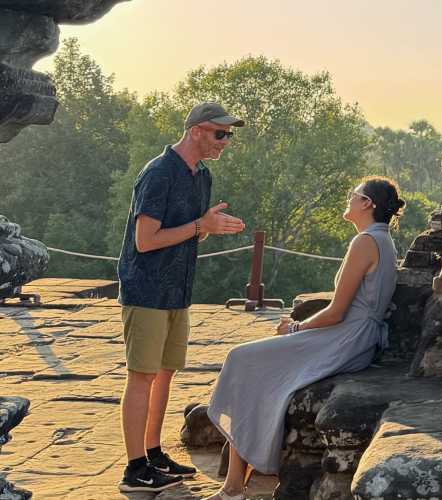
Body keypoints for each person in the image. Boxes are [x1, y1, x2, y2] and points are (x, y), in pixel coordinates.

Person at [205, 176, 405, 500]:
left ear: (367, 204)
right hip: (355, 336)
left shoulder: (366, 242)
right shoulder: (381, 239)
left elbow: (337, 311)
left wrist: (295, 329)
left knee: (241, 360)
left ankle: (232, 487)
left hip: (346, 337)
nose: (349, 199)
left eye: (353, 195)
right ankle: (233, 486)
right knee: (253, 368)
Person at [117, 102, 246, 493]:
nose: (226, 142)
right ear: (195, 131)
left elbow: (189, 231)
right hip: (146, 289)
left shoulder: (201, 176)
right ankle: (134, 467)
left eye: (229, 135)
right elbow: (146, 240)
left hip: (178, 290)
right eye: (220, 134)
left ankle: (153, 453)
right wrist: (199, 225)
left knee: (165, 372)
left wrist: (209, 228)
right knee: (141, 375)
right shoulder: (158, 174)